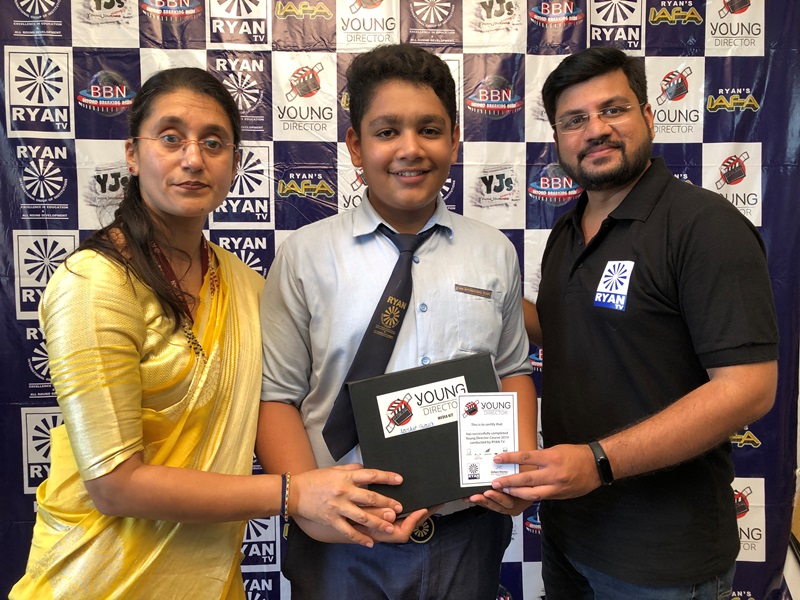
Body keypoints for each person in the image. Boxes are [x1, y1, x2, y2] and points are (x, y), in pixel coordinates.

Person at [10, 67, 409, 600]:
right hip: (97, 577)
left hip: (209, 580)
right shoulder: (94, 284)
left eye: (214, 142)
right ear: (133, 154)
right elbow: (113, 484)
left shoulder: (242, 283)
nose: (193, 159)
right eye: (171, 137)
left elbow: (288, 391)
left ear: (235, 163)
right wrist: (293, 494)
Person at [491, 47, 779, 599]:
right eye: (574, 120)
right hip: (570, 536)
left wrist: (599, 462)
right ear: (558, 138)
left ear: (647, 115)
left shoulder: (704, 226)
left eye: (613, 110)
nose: (595, 130)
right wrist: (483, 296)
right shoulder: (566, 232)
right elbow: (567, 332)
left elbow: (749, 388)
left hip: (663, 560)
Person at [258, 43, 537, 599]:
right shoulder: (304, 256)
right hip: (341, 540)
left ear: (454, 140)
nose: (410, 148)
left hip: (467, 532)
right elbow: (276, 397)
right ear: (356, 146)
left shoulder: (493, 253)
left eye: (429, 130)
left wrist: (520, 467)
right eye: (387, 131)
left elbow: (513, 370)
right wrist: (309, 507)